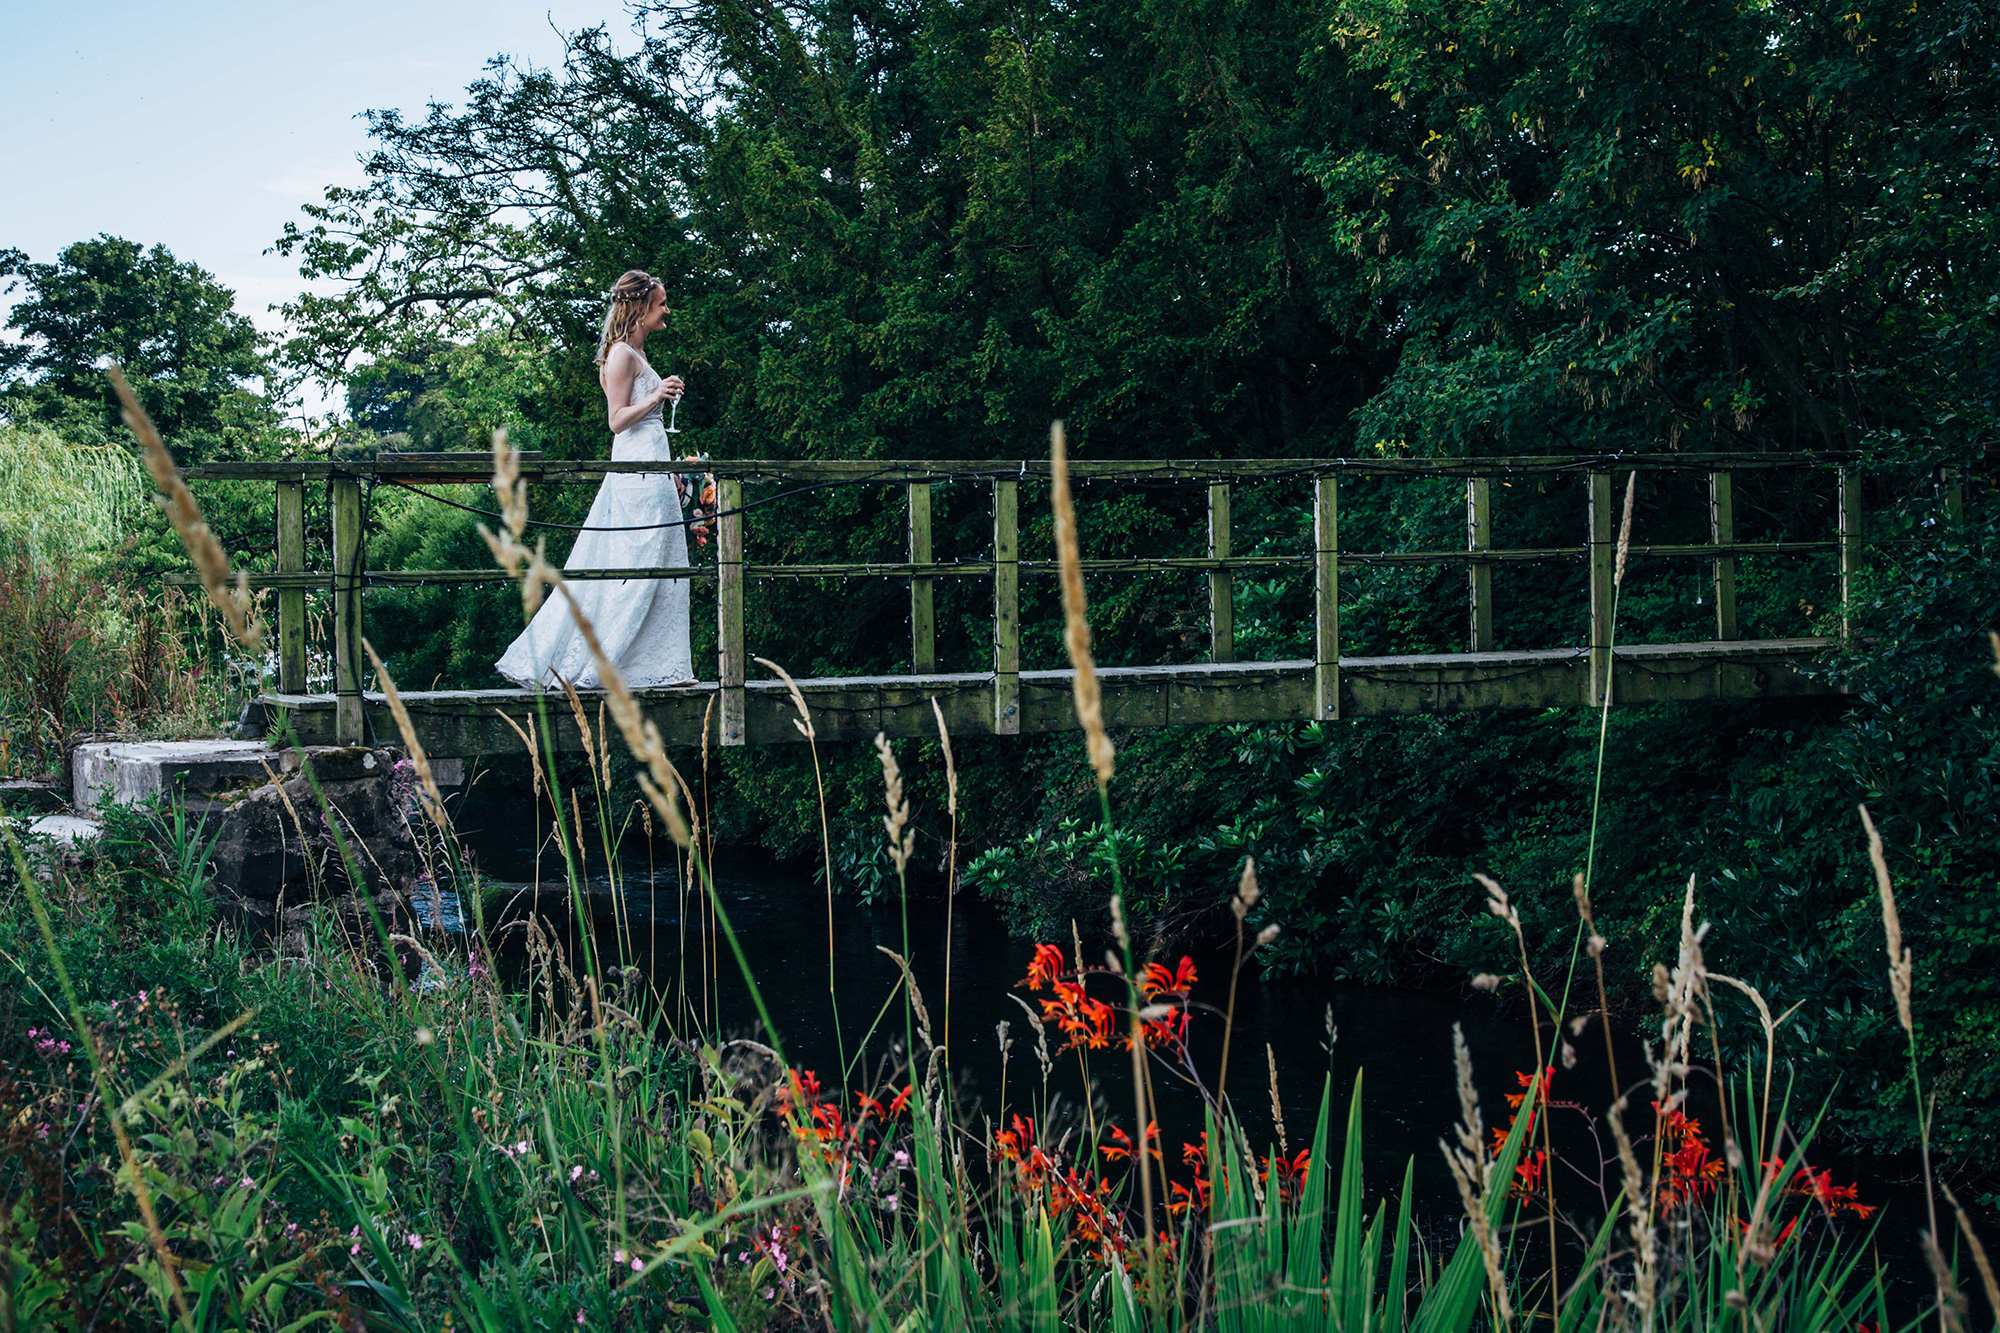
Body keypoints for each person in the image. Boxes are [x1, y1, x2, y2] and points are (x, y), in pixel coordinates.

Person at [496, 270, 697, 689]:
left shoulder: (636, 354)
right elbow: (617, 421)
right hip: (635, 473)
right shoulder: (622, 353)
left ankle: (649, 665)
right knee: (635, 563)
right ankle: (605, 664)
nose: (667, 310)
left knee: (661, 561)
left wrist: (671, 469)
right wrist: (657, 396)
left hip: (652, 465)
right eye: (660, 304)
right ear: (641, 308)